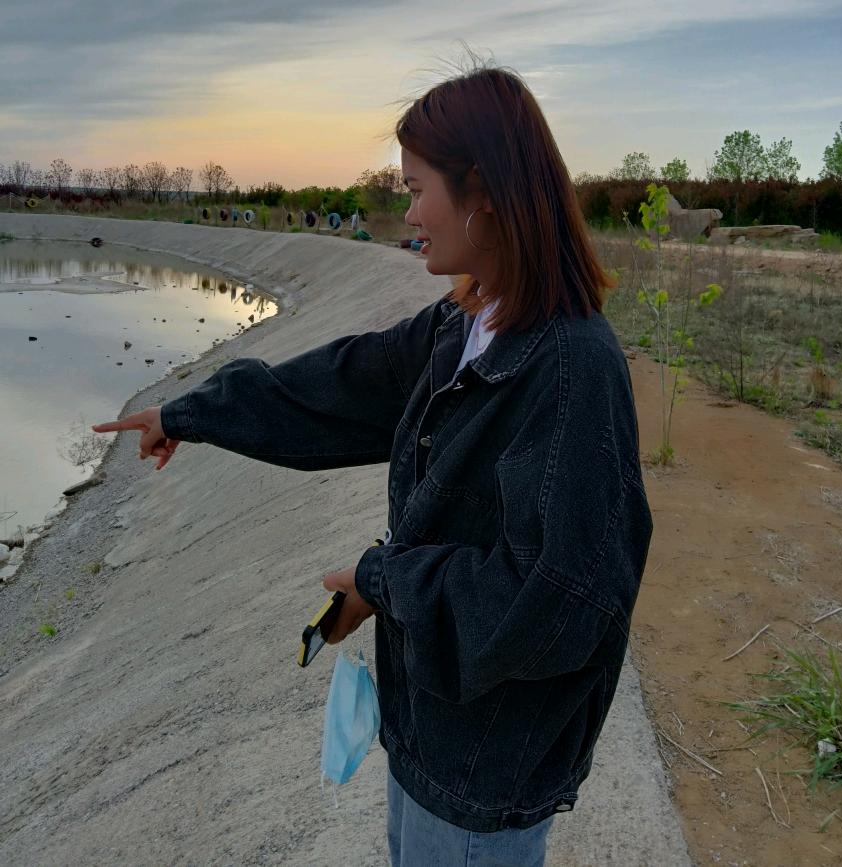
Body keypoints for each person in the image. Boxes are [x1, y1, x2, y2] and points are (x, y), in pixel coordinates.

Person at [94, 61, 652, 867]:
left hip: (482, 768)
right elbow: (333, 389)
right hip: (428, 726)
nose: (405, 211)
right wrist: (187, 412)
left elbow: (556, 600)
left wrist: (382, 581)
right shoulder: (465, 325)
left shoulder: (570, 370)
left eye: (416, 187)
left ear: (484, 191)